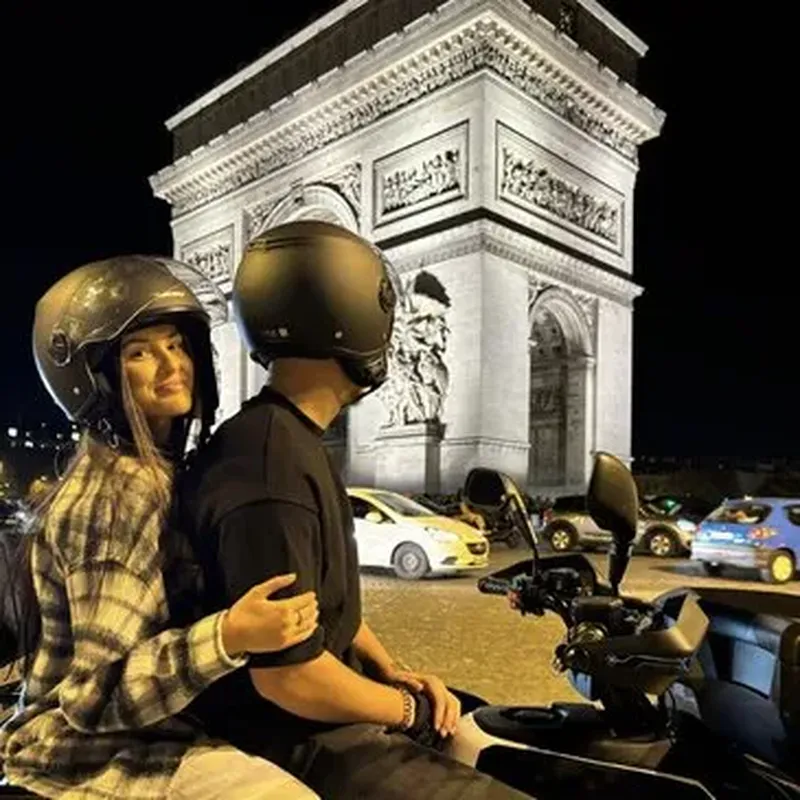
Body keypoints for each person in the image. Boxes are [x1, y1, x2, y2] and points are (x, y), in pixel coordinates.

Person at [179, 221, 532, 799]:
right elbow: (288, 677)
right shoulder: (272, 466)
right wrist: (403, 708)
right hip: (300, 741)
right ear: (347, 313)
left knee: (489, 726)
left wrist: (390, 669)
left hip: (324, 712)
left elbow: (320, 605)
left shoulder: (281, 438)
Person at [0, 255, 321, 799]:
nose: (172, 364)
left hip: (154, 728)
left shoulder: (154, 473)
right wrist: (227, 637)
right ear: (92, 380)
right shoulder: (114, 502)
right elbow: (90, 698)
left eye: (176, 343)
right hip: (94, 756)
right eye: (139, 352)